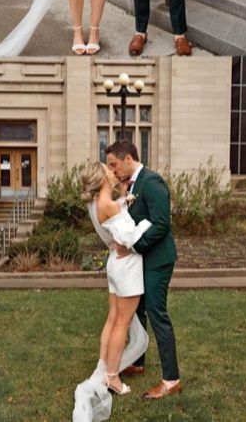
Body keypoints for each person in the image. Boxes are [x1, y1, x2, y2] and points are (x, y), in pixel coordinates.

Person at [105, 140, 182, 401]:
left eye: (114, 165)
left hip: (158, 259)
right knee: (137, 309)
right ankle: (137, 361)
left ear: (128, 158)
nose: (113, 172)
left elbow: (161, 224)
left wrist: (134, 247)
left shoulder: (152, 181)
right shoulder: (133, 185)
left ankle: (171, 380)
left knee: (156, 312)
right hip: (143, 259)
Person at [75, 158, 151, 414]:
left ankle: (104, 366)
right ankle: (112, 377)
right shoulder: (108, 205)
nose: (112, 170)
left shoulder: (99, 203)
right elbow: (129, 237)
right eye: (108, 169)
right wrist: (147, 223)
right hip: (126, 266)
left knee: (112, 319)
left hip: (113, 265)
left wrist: (123, 199)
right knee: (122, 323)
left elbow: (117, 225)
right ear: (102, 177)